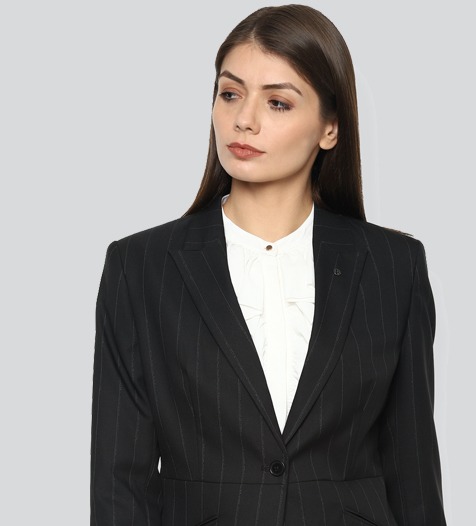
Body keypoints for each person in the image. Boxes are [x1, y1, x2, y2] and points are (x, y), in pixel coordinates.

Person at [90, 4, 447, 525]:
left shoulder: (394, 267)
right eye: (230, 93)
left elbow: (414, 474)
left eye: (278, 102)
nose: (244, 120)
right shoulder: (140, 267)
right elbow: (118, 483)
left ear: (330, 128)